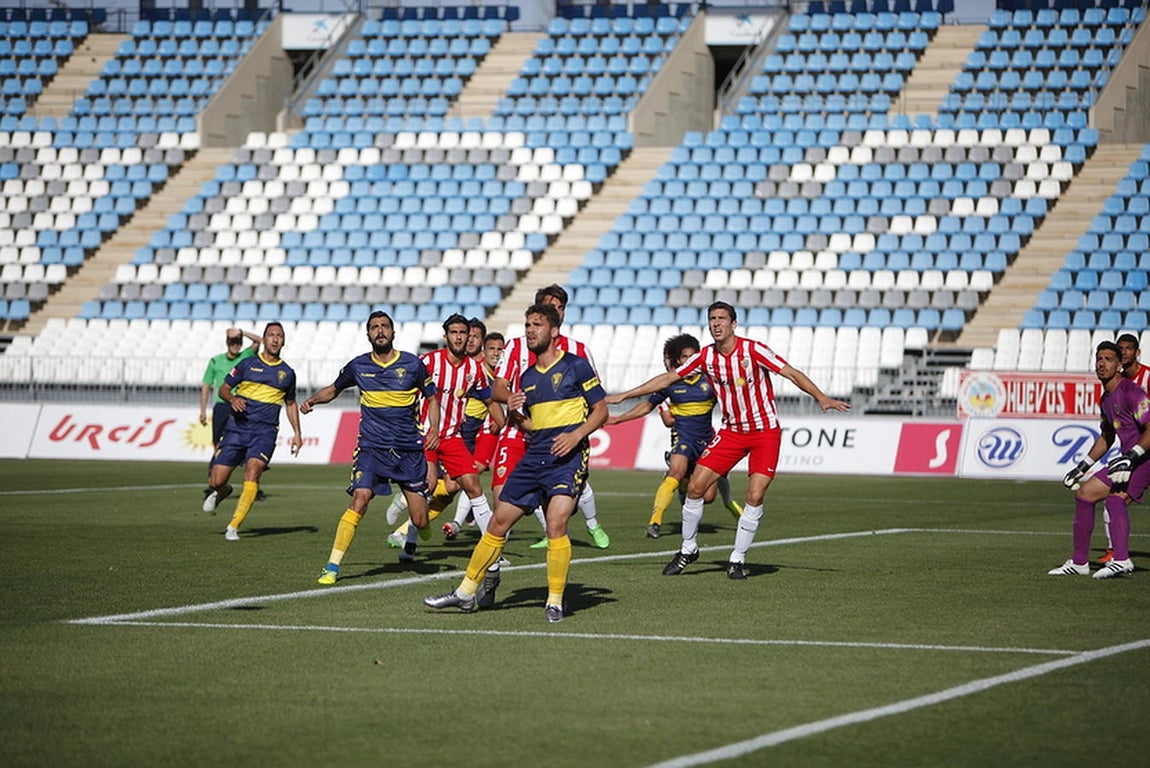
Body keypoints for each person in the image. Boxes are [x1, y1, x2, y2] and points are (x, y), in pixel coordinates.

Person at [606, 301, 851, 579]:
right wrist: (624, 395)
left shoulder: (753, 350)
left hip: (764, 433)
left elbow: (791, 373)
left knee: (754, 495)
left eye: (722, 318)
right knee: (696, 488)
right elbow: (668, 379)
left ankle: (737, 558)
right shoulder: (705, 357)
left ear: (734, 324)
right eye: (712, 319)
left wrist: (822, 397)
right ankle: (688, 549)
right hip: (732, 432)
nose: (716, 323)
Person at [423, 303, 608, 622]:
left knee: (556, 523)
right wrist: (516, 410)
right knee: (497, 522)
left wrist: (576, 436)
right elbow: (525, 419)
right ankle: (466, 593)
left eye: (536, 324)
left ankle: (554, 600)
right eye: (527, 325)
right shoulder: (528, 377)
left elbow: (601, 411)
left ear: (553, 331)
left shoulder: (576, 366)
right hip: (535, 456)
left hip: (568, 457)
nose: (529, 330)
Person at [304, 311, 440, 584]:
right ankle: (332, 567)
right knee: (360, 498)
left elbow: (432, 398)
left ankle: (420, 524)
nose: (380, 331)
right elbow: (333, 389)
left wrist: (433, 428)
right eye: (375, 327)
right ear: (368, 334)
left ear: (393, 332)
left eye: (385, 327)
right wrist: (312, 401)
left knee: (421, 520)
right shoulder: (358, 366)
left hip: (408, 451)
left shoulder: (413, 365)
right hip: (371, 447)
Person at [491, 284, 610, 550]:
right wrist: (508, 397)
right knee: (501, 504)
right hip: (517, 433)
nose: (556, 311)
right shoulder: (516, 346)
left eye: (560, 307)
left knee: (558, 513)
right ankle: (492, 573)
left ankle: (588, 526)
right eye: (550, 306)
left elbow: (595, 396)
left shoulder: (578, 351)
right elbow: (497, 386)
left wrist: (578, 429)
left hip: (557, 436)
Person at [606, 333, 742, 539]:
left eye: (693, 356)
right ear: (678, 360)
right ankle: (655, 522)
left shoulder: (709, 380)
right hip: (683, 437)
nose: (690, 361)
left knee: (708, 496)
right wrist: (619, 419)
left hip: (707, 438)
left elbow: (731, 396)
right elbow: (647, 406)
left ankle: (720, 498)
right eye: (685, 357)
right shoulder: (671, 383)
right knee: (676, 471)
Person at [390, 314, 500, 558]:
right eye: (454, 333)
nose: (460, 337)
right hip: (425, 436)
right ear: (446, 336)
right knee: (429, 485)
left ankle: (492, 551)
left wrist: (504, 424)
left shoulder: (474, 369)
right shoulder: (428, 362)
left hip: (452, 437)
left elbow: (490, 400)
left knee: (472, 485)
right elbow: (405, 389)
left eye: (464, 333)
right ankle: (410, 540)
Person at [1052, 340, 1145, 579]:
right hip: (1130, 459)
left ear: (1119, 365)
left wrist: (1133, 455)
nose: (1102, 364)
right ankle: (1080, 562)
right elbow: (1107, 436)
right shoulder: (1106, 398)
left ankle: (1122, 559)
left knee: (1115, 500)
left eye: (1109, 359)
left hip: (1145, 458)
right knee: (1085, 494)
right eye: (1099, 359)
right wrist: (1082, 467)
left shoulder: (1131, 392)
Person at [202, 322, 303, 540]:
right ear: (264, 340)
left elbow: (291, 403)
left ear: (283, 341)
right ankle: (222, 491)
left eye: (279, 336)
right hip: (237, 429)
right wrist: (232, 399)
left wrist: (297, 433)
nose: (275, 339)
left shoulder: (287, 373)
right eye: (271, 335)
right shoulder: (247, 364)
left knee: (253, 470)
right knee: (215, 480)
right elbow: (224, 389)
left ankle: (233, 526)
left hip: (265, 433)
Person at [1097, 332, 1150, 564]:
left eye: (1128, 348)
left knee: (1114, 500)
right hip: (1136, 454)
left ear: (1136, 353)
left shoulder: (1146, 379)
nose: (1124, 352)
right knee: (1113, 500)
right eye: (1121, 349)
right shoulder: (1115, 387)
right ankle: (1114, 553)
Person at [199, 326, 262, 509]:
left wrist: (242, 332)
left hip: (241, 405)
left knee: (247, 445)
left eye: (238, 342)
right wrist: (203, 410)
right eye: (233, 342)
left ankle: (252, 485)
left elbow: (259, 340)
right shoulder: (215, 361)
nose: (236, 345)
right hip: (222, 406)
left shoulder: (246, 356)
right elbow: (206, 386)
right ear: (227, 343)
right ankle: (214, 482)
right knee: (217, 445)